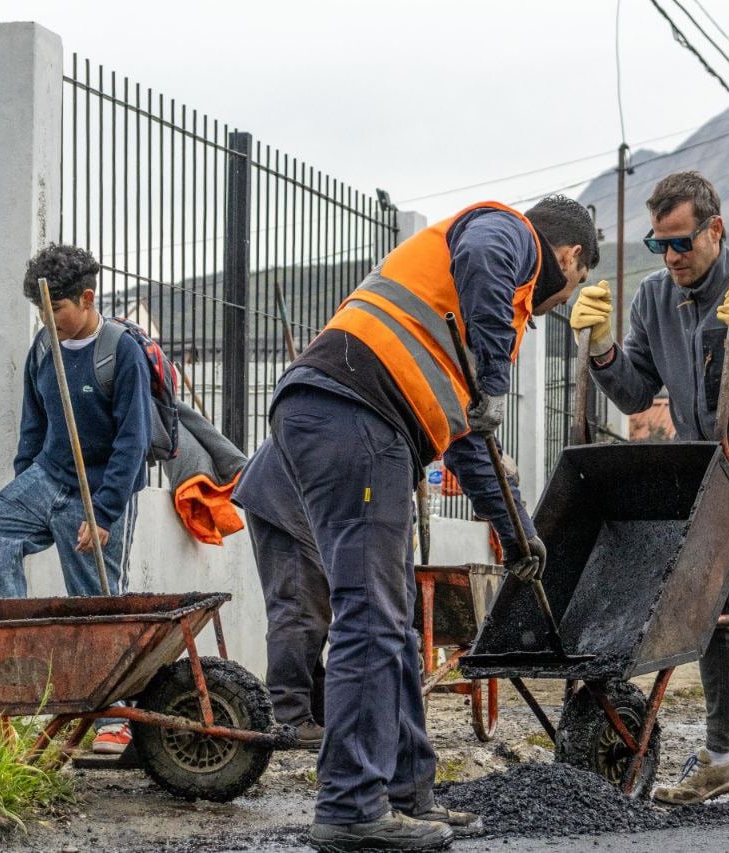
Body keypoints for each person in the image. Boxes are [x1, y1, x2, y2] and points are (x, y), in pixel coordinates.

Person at [236, 195, 597, 851]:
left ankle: (407, 794)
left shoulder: (454, 311)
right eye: (570, 289)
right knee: (371, 611)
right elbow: (485, 262)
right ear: (570, 258)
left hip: (361, 416)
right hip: (353, 408)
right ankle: (350, 806)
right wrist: (491, 375)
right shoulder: (505, 234)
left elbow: (467, 439)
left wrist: (519, 533)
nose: (553, 305)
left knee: (396, 619)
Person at [569, 171, 729, 802]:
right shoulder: (656, 300)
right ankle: (724, 755)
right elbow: (634, 392)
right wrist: (602, 350)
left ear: (715, 229)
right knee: (709, 610)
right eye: (659, 246)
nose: (672, 258)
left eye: (681, 243)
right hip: (710, 473)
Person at [0, 243, 152, 756]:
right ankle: (24, 670)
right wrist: (21, 484)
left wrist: (103, 513)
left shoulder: (121, 351)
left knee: (96, 603)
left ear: (87, 297)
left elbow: (133, 441)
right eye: (39, 310)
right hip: (48, 477)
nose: (46, 318)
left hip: (99, 490)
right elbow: (33, 427)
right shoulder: (42, 348)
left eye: (54, 308)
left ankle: (113, 721)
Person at [232, 439, 329, 751]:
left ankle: (316, 710)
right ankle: (290, 716)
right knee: (299, 605)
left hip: (290, 485)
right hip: (284, 491)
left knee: (312, 603)